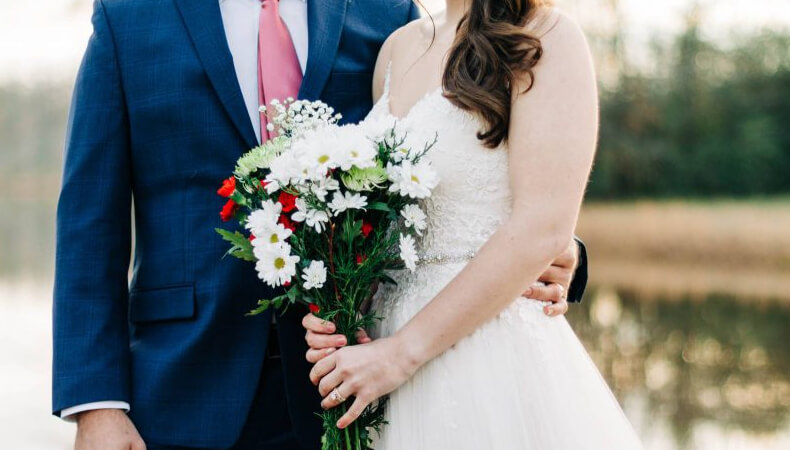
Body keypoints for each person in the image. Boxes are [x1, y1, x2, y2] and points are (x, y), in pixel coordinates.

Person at [53, 0, 587, 449]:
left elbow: (441, 176)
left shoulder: (386, 16)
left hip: (351, 391)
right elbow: (88, 224)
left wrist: (559, 252)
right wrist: (95, 405)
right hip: (180, 390)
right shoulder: (129, 15)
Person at [303, 1, 643, 448]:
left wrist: (401, 355)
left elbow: (544, 226)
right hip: (378, 359)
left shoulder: (545, 37)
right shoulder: (397, 48)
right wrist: (341, 311)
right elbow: (384, 218)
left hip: (485, 353)